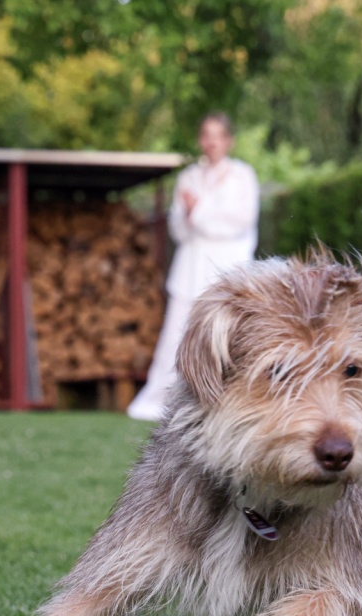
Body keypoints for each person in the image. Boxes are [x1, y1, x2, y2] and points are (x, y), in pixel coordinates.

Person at [127, 113, 260, 422]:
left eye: (218, 135)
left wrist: (197, 211)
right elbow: (178, 228)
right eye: (206, 134)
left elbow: (240, 221)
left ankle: (228, 398)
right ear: (201, 139)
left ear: (228, 141)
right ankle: (166, 398)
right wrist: (188, 216)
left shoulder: (242, 175)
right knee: (177, 332)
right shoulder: (188, 178)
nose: (211, 142)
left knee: (227, 333)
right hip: (190, 267)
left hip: (228, 266)